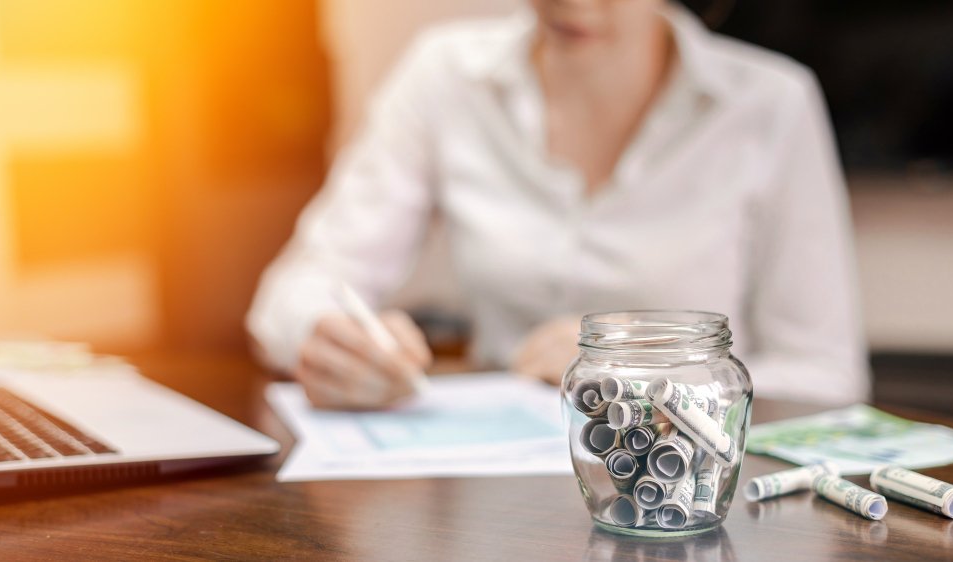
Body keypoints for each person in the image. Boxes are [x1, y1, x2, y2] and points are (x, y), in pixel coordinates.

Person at [247, 0, 870, 410]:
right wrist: (328, 340)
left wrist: (644, 373)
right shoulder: (446, 73)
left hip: (679, 485)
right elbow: (290, 294)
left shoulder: (771, 103)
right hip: (491, 495)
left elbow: (826, 376)